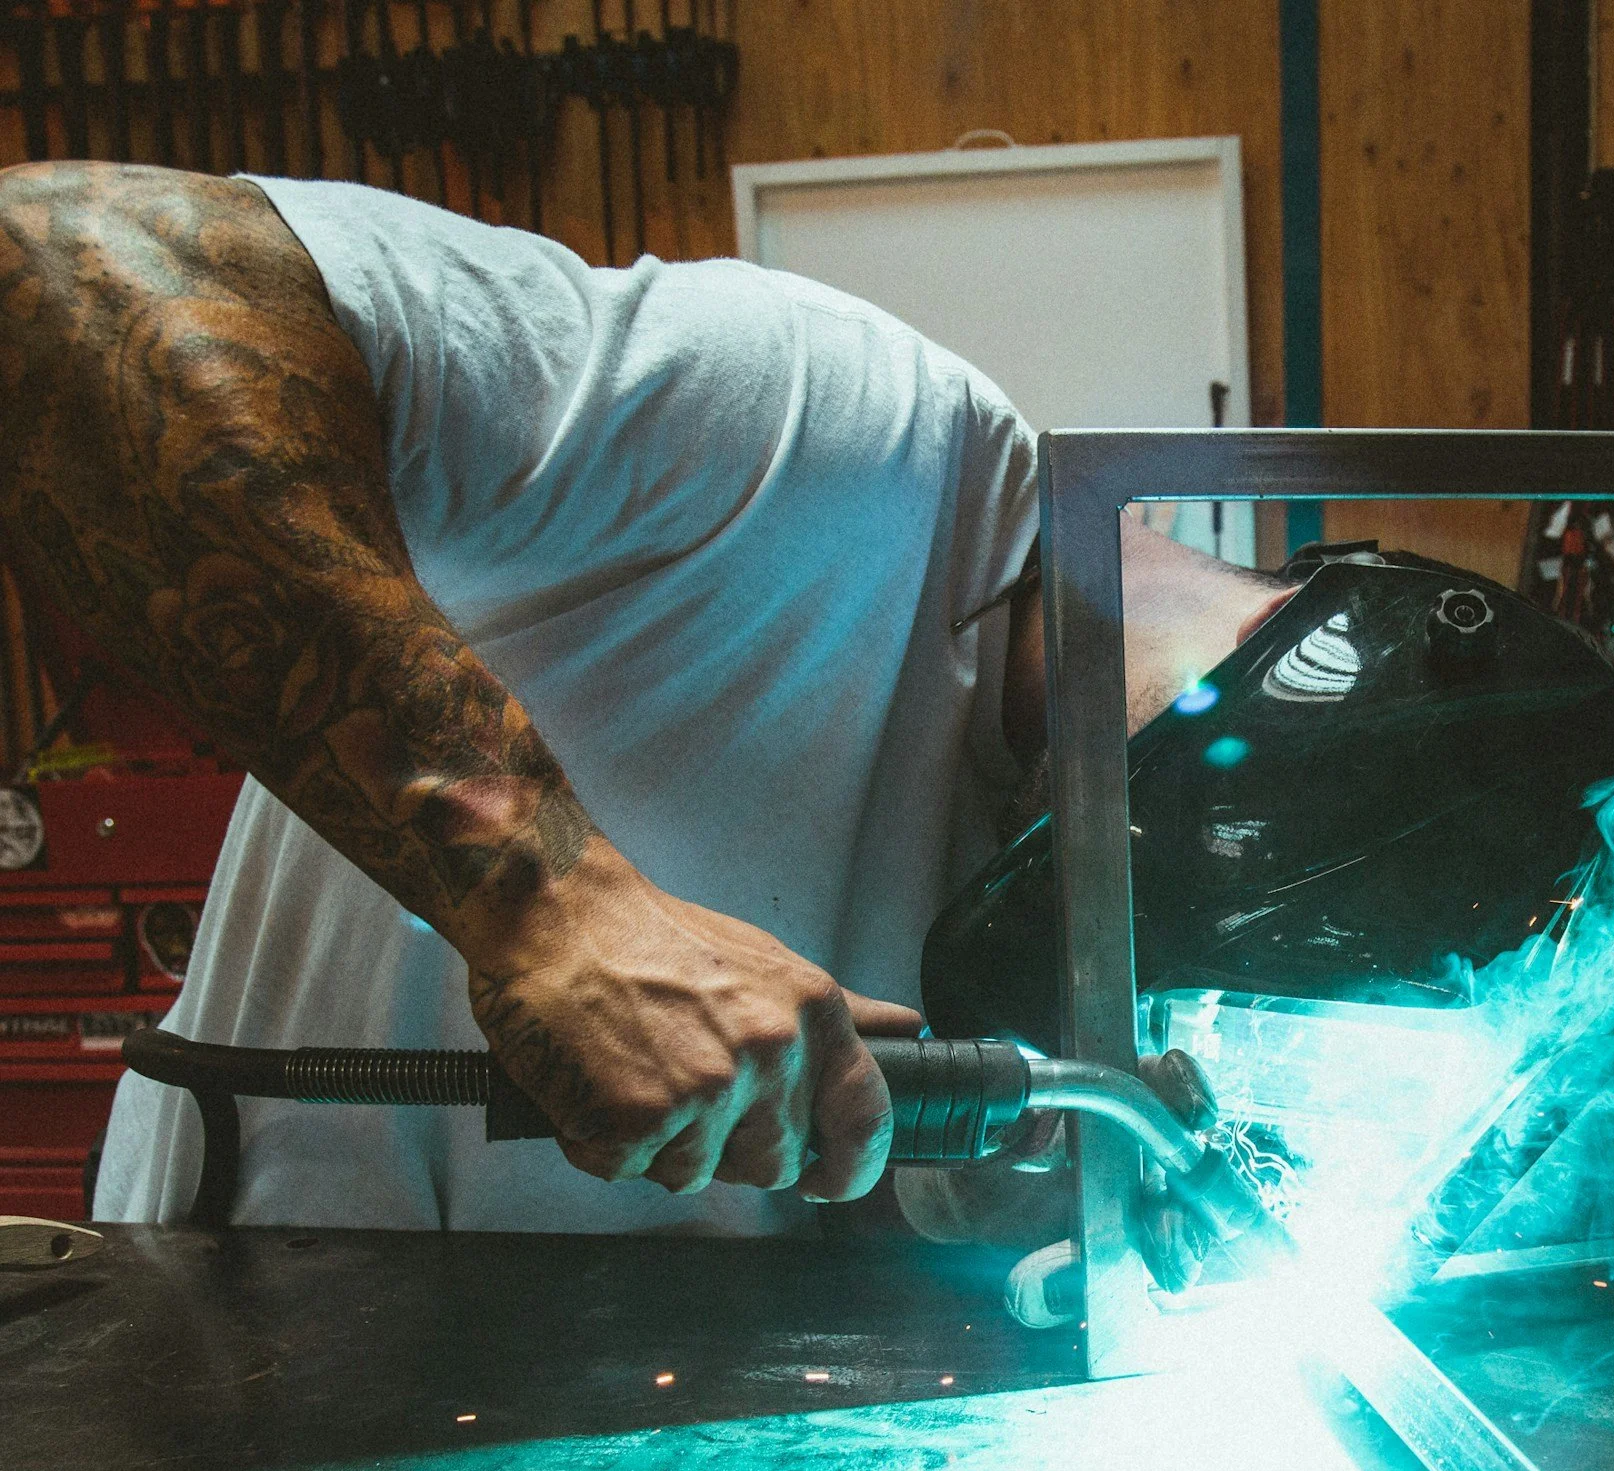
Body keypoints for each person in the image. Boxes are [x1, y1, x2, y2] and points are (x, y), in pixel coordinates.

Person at [0, 163, 1292, 1232]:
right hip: (263, 1338)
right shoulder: (828, 433)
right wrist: (552, 906)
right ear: (1295, 650)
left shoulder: (1047, 897)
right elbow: (58, 266)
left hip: (607, 1439)